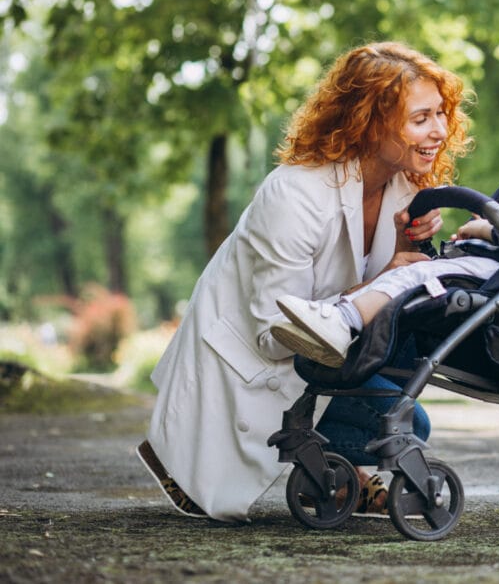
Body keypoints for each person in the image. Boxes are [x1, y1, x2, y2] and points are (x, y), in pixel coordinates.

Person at [136, 42, 471, 523]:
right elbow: (275, 335)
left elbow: (373, 290)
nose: (439, 130)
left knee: (410, 373)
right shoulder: (294, 195)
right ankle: (202, 454)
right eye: (421, 119)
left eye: (441, 114)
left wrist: (401, 248)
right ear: (370, 122)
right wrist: (391, 276)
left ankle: (339, 476)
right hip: (252, 368)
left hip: (322, 353)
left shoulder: (405, 185)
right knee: (405, 424)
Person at [271, 106, 499, 369]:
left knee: (413, 275)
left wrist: (485, 228)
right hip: (481, 266)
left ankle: (342, 321)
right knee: (410, 273)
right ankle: (334, 318)